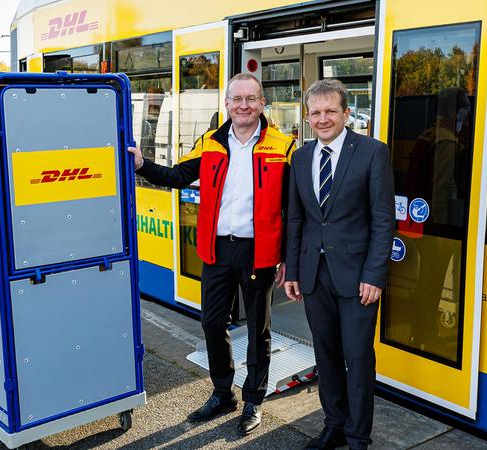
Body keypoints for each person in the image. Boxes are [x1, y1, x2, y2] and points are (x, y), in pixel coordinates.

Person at [126, 73, 294, 435]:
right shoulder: (212, 142)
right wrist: (142, 166)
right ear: (228, 104)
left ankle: (253, 400)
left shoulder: (283, 146)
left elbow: (294, 210)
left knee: (258, 328)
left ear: (262, 103)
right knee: (212, 322)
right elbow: (178, 176)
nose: (244, 105)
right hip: (217, 248)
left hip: (258, 251)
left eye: (252, 98)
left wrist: (288, 258)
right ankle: (223, 392)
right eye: (237, 99)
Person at [283, 79, 394, 450]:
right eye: (315, 113)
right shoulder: (299, 158)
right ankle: (334, 426)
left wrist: (374, 275)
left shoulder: (372, 153)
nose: (323, 118)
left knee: (358, 358)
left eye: (331, 111)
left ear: (347, 113)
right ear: (308, 117)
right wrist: (294, 271)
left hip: (359, 278)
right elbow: (296, 220)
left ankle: (358, 436)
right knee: (326, 356)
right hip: (314, 276)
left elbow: (383, 221)